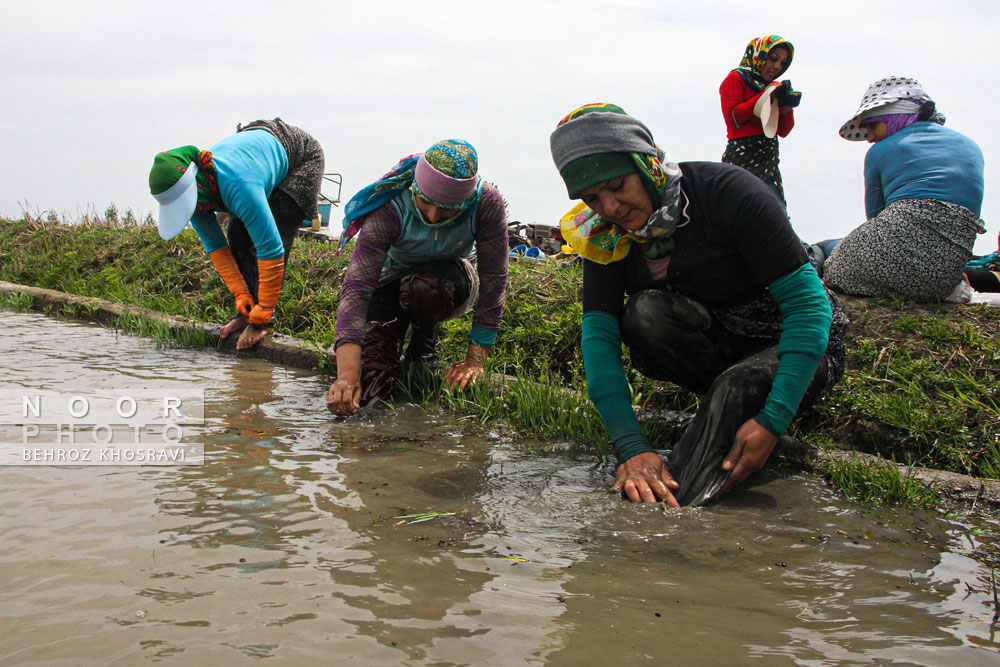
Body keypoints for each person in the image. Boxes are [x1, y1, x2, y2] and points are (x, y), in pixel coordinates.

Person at [549, 103, 847, 507]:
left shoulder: (728, 193)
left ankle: (675, 520)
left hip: (796, 347)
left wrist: (772, 422)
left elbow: (810, 311)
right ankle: (688, 467)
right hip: (716, 349)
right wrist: (631, 448)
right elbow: (599, 338)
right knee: (644, 313)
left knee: (737, 387)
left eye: (618, 186)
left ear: (646, 163)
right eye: (592, 198)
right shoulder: (605, 235)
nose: (611, 208)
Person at [326, 139, 508, 416]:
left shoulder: (486, 203)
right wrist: (346, 376)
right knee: (371, 380)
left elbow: (494, 281)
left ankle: (425, 340)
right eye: (425, 203)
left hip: (447, 279)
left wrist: (475, 360)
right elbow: (357, 289)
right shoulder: (389, 205)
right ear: (414, 189)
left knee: (424, 288)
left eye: (447, 209)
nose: (433, 216)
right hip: (389, 279)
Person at [149, 118, 324, 349]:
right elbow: (217, 249)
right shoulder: (197, 199)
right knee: (237, 233)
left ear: (199, 185)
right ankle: (247, 315)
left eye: (194, 203)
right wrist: (241, 294)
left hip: (300, 157)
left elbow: (271, 247)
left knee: (278, 221)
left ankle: (263, 322)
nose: (198, 210)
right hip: (256, 150)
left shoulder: (238, 184)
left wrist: (265, 311)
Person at [822, 76, 985, 302]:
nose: (869, 137)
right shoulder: (970, 146)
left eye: (871, 125)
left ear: (892, 116)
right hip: (941, 279)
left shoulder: (880, 151)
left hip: (888, 261)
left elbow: (877, 218)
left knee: (825, 249)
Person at [720, 35, 801, 206]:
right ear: (759, 55)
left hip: (768, 161)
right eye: (773, 59)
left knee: (776, 212)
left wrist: (787, 107)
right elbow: (734, 118)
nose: (777, 66)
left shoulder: (774, 86)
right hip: (742, 158)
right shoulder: (736, 78)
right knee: (738, 210)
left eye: (783, 63)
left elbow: (783, 131)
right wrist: (765, 96)